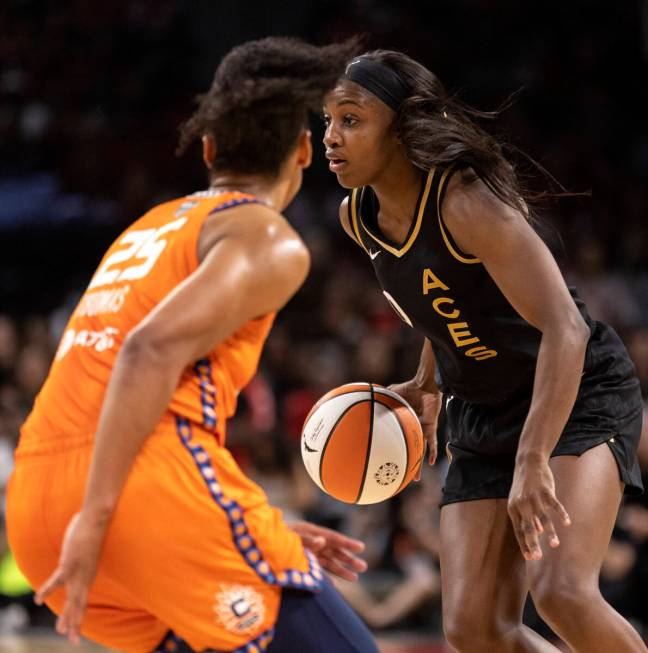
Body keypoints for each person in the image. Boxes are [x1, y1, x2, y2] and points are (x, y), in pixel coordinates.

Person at [7, 37, 382, 653]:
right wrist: (99, 518)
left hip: (38, 497)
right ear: (304, 151)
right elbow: (147, 352)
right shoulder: (267, 237)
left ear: (208, 149)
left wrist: (236, 524)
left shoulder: (145, 228)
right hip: (130, 494)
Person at [322, 50, 646, 653]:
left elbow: (566, 330)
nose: (330, 137)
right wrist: (427, 381)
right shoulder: (357, 218)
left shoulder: (467, 203)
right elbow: (437, 300)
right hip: (483, 410)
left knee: (561, 591)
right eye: (327, 121)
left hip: (574, 394)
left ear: (400, 127)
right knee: (474, 629)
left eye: (351, 119)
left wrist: (533, 457)